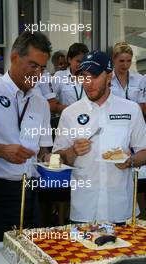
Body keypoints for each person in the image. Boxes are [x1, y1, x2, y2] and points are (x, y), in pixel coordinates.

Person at [0, 31, 53, 244]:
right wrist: (0, 150)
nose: (38, 75)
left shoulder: (41, 102)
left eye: (43, 68)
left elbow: (44, 150)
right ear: (14, 58)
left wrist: (51, 161)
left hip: (30, 192)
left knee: (32, 253)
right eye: (33, 66)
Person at [53, 50, 146, 224]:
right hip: (83, 212)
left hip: (121, 211)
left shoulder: (131, 109)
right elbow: (55, 159)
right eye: (84, 77)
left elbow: (144, 151)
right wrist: (72, 152)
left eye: (94, 76)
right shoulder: (69, 114)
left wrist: (130, 161)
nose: (88, 83)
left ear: (109, 76)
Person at [111, 42, 146, 117]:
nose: (125, 65)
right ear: (113, 59)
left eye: (129, 61)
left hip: (134, 122)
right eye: (121, 61)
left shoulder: (140, 79)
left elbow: (143, 105)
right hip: (113, 122)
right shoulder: (106, 79)